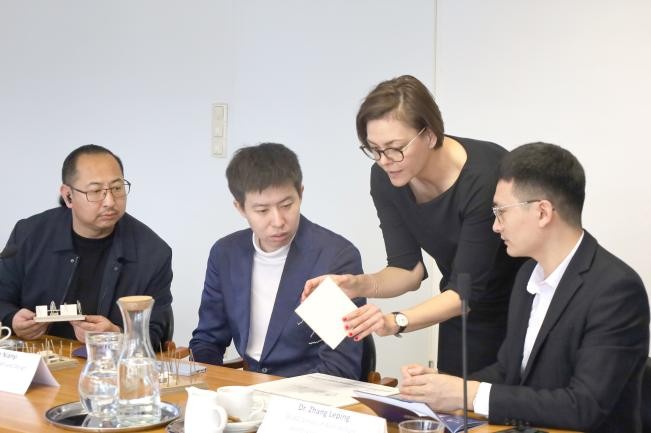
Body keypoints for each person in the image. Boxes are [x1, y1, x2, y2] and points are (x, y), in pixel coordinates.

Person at [399, 142, 649, 432]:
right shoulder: (527, 274)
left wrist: (468, 394)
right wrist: (445, 386)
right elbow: (509, 370)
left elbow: (584, 407)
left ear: (543, 212)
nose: (495, 226)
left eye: (500, 211)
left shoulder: (616, 290)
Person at [303, 75, 524, 376]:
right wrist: (357, 285)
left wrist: (395, 321)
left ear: (429, 135)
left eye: (395, 148)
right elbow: (408, 270)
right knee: (453, 400)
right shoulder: (386, 178)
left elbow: (466, 294)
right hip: (459, 310)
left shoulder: (484, 177)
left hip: (521, 309)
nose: (385, 160)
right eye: (374, 149)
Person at [189, 143, 365, 379]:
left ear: (301, 193)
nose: (278, 221)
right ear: (240, 208)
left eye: (286, 205)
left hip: (310, 390)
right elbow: (208, 340)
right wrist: (208, 385)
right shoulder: (226, 254)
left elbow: (339, 365)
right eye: (262, 211)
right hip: (248, 387)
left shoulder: (332, 257)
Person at [0, 145, 174, 348]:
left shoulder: (153, 253)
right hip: (36, 356)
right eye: (96, 191)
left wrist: (117, 335)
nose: (110, 201)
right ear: (68, 196)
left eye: (117, 188)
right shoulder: (29, 234)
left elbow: (156, 333)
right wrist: (11, 318)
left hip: (107, 363)